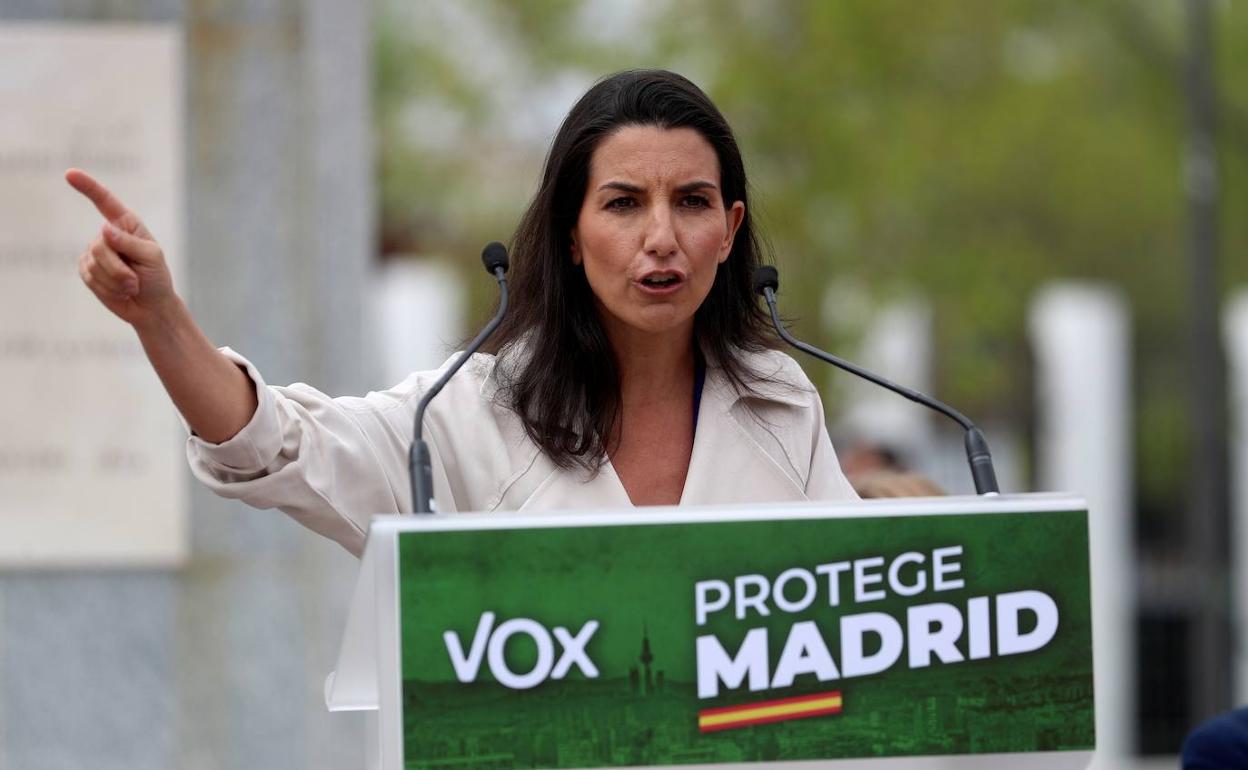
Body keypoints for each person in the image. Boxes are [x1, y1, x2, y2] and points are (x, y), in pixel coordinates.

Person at [69, 69, 858, 556]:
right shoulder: (473, 411)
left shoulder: (779, 401)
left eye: (692, 202)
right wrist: (161, 319)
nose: (662, 238)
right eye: (623, 204)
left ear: (729, 231)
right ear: (572, 238)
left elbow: (864, 599)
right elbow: (277, 447)